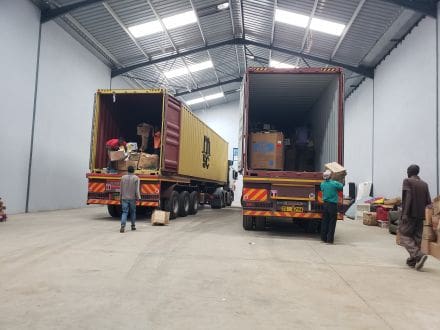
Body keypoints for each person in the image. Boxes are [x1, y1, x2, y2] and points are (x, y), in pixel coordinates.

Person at [399, 164, 431, 270]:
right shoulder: (424, 184)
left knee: (404, 235)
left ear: (410, 171)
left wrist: (405, 213)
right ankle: (413, 260)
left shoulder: (407, 181)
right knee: (417, 238)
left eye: (407, 170)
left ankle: (418, 255)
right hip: (421, 215)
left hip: (410, 214)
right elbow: (428, 202)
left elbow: (408, 197)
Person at [320, 170, 343, 244]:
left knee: (325, 221)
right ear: (331, 176)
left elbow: (322, 189)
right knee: (332, 222)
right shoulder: (334, 183)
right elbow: (341, 186)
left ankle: (323, 238)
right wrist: (336, 179)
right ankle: (329, 240)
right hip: (332, 205)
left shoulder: (322, 184)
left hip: (325, 204)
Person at [119, 165, 140, 233]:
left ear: (127, 170)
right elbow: (137, 190)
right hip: (132, 198)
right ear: (133, 171)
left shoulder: (123, 177)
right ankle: (133, 226)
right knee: (133, 212)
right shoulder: (136, 178)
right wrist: (138, 197)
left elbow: (121, 189)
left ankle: (122, 226)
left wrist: (120, 197)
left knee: (124, 212)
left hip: (124, 198)